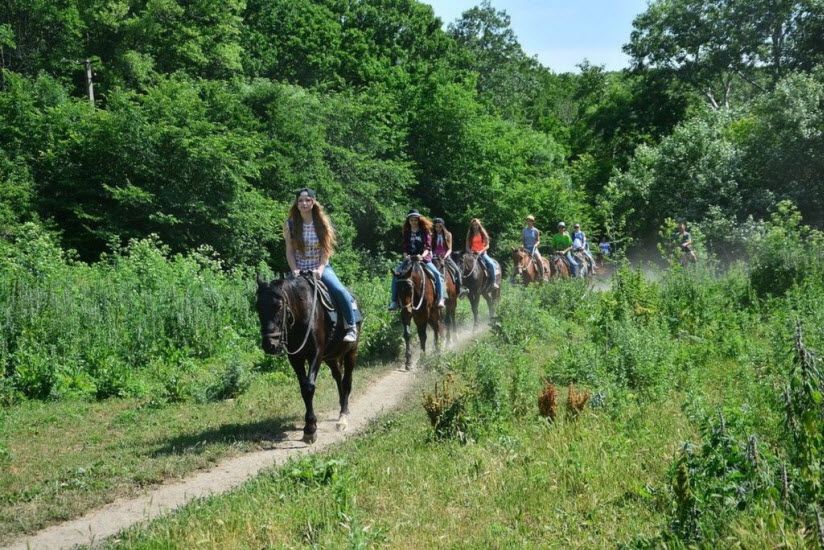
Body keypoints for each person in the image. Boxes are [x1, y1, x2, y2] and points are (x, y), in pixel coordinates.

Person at [284, 188, 358, 343]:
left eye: (307, 200)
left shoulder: (322, 223)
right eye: (300, 201)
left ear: (313, 202)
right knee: (280, 296)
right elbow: (290, 251)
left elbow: (326, 250)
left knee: (339, 290)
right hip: (299, 269)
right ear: (296, 204)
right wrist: (295, 270)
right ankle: (282, 337)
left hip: (320, 267)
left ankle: (351, 326)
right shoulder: (290, 225)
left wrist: (320, 269)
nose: (304, 203)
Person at [388, 210, 446, 311]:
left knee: (437, 274)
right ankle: (394, 301)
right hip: (410, 259)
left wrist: (421, 256)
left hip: (424, 258)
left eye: (415, 220)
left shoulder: (425, 231)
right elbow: (405, 247)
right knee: (396, 275)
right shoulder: (407, 232)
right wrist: (406, 256)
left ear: (418, 220)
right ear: (409, 221)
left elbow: (427, 247)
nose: (413, 222)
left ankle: (441, 298)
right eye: (411, 220)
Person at [465, 218, 499, 290]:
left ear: (479, 225)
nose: (475, 226)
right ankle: (463, 285)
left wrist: (481, 251)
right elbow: (467, 246)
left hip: (482, 253)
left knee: (491, 264)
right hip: (472, 253)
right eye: (473, 225)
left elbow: (487, 245)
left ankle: (493, 282)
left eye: (476, 225)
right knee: (463, 264)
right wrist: (470, 251)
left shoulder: (482, 233)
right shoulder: (470, 234)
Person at [432, 217, 463, 294]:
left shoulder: (448, 234)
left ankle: (460, 289)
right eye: (436, 226)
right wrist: (432, 255)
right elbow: (431, 248)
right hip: (434, 256)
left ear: (443, 226)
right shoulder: (432, 235)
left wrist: (445, 256)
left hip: (446, 256)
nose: (438, 228)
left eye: (439, 226)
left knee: (458, 271)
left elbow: (450, 249)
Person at [522, 215, 545, 279]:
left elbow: (538, 241)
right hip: (526, 249)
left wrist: (535, 245)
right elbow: (523, 240)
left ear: (533, 222)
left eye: (530, 221)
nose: (529, 222)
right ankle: (513, 277)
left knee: (539, 260)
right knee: (519, 259)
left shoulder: (536, 230)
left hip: (534, 249)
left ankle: (542, 276)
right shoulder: (524, 230)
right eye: (528, 221)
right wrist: (522, 246)